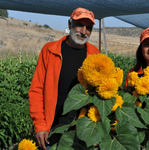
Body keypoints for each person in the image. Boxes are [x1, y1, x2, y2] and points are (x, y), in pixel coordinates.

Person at [28, 7, 100, 150]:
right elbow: (36, 90)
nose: (83, 32)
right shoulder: (50, 50)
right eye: (80, 25)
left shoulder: (95, 55)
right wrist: (40, 125)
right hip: (52, 129)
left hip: (82, 131)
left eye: (89, 28)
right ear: (70, 24)